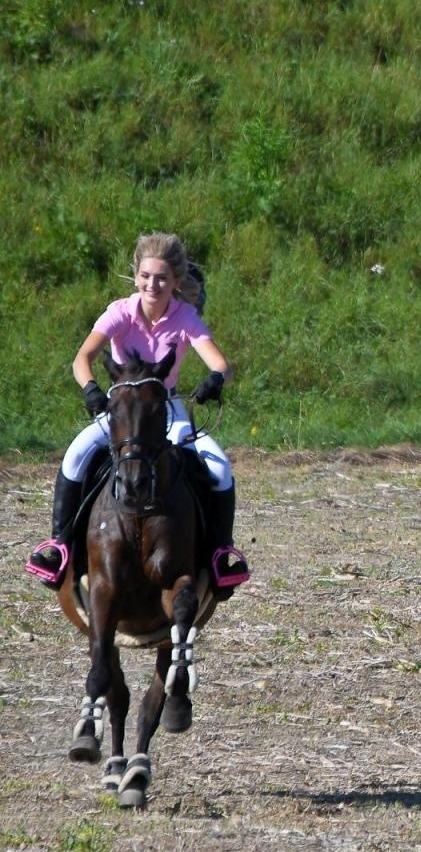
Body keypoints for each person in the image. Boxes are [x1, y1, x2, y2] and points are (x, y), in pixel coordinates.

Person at [25, 232, 251, 591]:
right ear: (136, 276)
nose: (153, 284)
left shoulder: (185, 316)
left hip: (167, 408)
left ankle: (220, 553)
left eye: (162, 278)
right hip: (121, 410)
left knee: (219, 466)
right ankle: (58, 545)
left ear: (176, 281)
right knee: (75, 455)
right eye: (146, 276)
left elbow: (220, 363)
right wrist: (91, 391)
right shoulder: (120, 312)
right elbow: (82, 358)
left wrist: (215, 379)